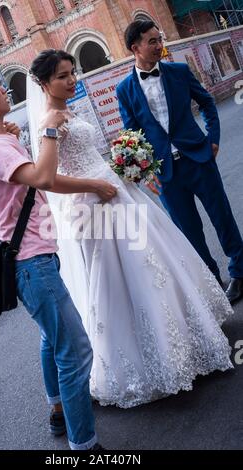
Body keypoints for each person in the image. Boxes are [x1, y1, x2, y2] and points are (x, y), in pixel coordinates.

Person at [27, 49, 233, 409]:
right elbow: (49, 180)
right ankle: (145, 362)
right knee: (121, 278)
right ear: (44, 83)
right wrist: (95, 186)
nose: (71, 80)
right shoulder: (50, 120)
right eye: (62, 76)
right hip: (94, 206)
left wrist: (123, 165)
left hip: (115, 190)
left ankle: (182, 341)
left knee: (153, 263)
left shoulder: (68, 111)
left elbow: (87, 155)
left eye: (72, 72)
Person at [0, 67, 106, 451]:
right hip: (31, 261)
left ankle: (57, 410)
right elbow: (46, 178)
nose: (4, 89)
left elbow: (27, 180)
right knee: (75, 349)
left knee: (52, 340)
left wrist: (14, 139)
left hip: (31, 255)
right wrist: (48, 128)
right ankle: (84, 446)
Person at [116, 19, 243, 305]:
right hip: (166, 173)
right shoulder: (124, 89)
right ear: (135, 47)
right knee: (189, 232)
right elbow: (131, 133)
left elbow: (208, 103)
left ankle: (240, 271)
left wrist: (214, 138)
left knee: (222, 218)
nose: (159, 45)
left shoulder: (179, 71)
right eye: (152, 41)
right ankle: (212, 282)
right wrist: (145, 172)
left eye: (159, 39)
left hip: (198, 158)